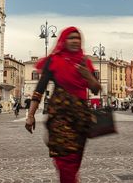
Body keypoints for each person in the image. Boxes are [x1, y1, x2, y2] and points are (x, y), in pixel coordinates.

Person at [25, 27, 101, 183]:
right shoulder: (54, 61)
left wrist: (88, 76)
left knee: (75, 160)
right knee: (66, 160)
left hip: (81, 119)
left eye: (78, 38)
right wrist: (30, 115)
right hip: (60, 116)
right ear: (63, 41)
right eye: (71, 38)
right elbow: (39, 89)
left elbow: (95, 89)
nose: (75, 41)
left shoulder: (84, 62)